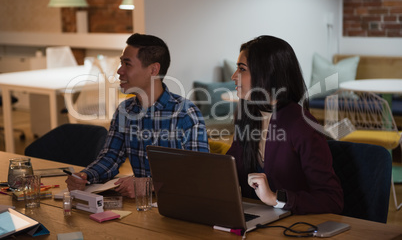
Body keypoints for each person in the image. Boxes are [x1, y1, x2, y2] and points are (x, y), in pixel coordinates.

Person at [66, 33, 209, 197]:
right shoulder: (124, 111)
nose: (119, 71)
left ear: (153, 70)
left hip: (178, 206)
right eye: (121, 63)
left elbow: (199, 175)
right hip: (140, 207)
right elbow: (110, 157)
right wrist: (85, 176)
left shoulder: (186, 114)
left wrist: (149, 185)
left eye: (127, 64)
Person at [226, 35, 343, 214]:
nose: (234, 76)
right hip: (255, 221)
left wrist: (275, 198)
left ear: (267, 73)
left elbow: (332, 200)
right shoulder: (247, 116)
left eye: (242, 69)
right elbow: (231, 170)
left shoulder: (302, 125)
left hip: (294, 226)